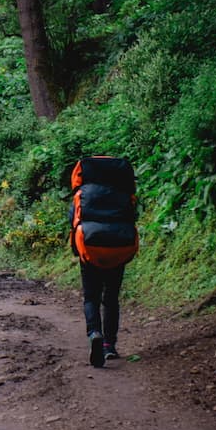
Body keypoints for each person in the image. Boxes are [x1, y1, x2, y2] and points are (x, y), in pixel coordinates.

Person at [69, 156, 138, 368]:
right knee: (111, 298)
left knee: (91, 297)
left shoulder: (83, 194)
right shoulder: (125, 195)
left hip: (90, 249)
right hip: (118, 248)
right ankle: (109, 345)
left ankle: (94, 333)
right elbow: (132, 217)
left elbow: (73, 221)